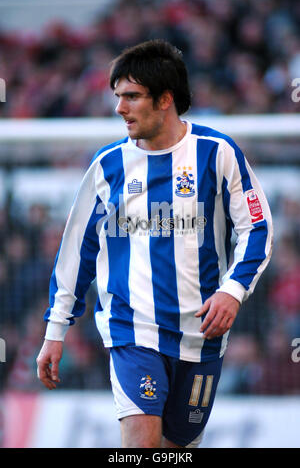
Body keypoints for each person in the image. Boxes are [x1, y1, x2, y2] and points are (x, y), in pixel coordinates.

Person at [36, 40, 273, 448]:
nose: (119, 108)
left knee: (175, 449)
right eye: (117, 97)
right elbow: (78, 251)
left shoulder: (218, 154)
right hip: (132, 329)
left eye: (131, 97)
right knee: (142, 445)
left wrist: (233, 292)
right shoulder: (107, 167)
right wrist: (55, 329)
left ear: (165, 100)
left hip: (201, 334)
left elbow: (257, 229)